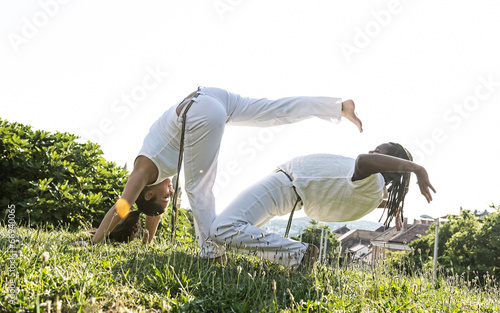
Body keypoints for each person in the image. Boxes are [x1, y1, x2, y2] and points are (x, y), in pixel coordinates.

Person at [90, 87, 363, 258]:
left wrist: (95, 242)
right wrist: (147, 243)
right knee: (273, 111)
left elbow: (122, 208)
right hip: (210, 95)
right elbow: (154, 213)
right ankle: (338, 108)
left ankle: (212, 254)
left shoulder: (143, 171)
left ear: (147, 192)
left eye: (164, 197)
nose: (170, 193)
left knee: (198, 188)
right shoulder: (156, 180)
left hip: (200, 111)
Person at [209, 142, 436, 271]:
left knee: (222, 228)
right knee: (227, 232)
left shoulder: (372, 179)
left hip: (283, 186)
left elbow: (362, 161)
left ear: (389, 165)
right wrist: (391, 206)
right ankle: (213, 257)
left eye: (378, 150)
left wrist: (417, 169)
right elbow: (356, 194)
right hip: (288, 192)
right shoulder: (373, 190)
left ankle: (299, 253)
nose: (372, 151)